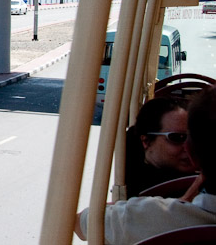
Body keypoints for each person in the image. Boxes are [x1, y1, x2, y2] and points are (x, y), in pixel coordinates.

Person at [75, 86, 216, 244]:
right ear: (145, 141)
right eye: (177, 138)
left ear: (192, 152)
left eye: (187, 138)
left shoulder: (151, 217)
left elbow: (82, 222)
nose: (183, 146)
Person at [125, 97, 196, 197]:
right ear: (146, 141)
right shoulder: (141, 192)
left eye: (196, 137)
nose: (190, 147)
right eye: (177, 138)